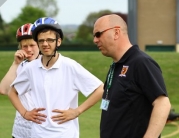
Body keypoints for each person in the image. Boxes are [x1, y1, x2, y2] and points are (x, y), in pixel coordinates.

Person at [8, 17, 104, 138]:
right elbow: (12, 92)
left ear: (58, 41)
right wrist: (24, 113)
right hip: (37, 134)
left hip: (65, 134)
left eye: (50, 40)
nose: (45, 44)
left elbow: (100, 89)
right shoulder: (30, 68)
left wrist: (76, 111)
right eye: (41, 40)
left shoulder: (70, 66)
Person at [93, 14, 171, 138]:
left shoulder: (141, 62)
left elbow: (163, 103)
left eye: (98, 34)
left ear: (116, 32)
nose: (95, 40)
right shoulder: (115, 66)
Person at [0, 23, 40, 138]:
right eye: (24, 46)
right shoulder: (20, 66)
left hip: (42, 130)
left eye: (32, 45)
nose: (28, 50)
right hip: (20, 131)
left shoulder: (47, 65)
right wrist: (16, 63)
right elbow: (3, 89)